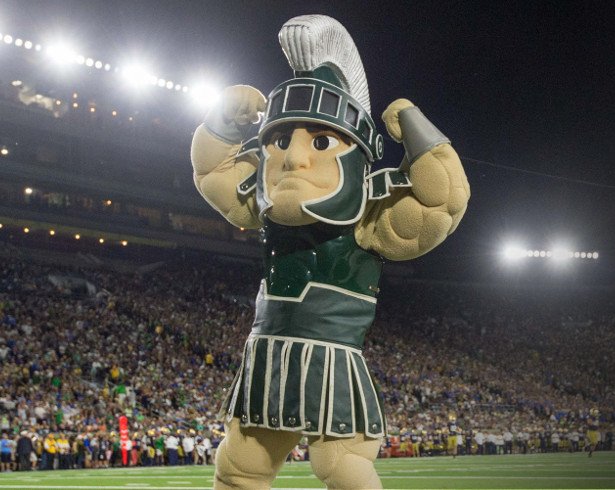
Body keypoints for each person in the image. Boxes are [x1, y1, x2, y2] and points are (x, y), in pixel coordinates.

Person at [189, 14, 468, 490]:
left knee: (342, 467)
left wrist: (419, 133)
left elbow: (441, 202)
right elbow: (214, 173)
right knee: (238, 470)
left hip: (333, 361)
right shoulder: (264, 202)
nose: (294, 157)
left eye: (320, 141)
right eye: (279, 140)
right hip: (267, 359)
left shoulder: (369, 210)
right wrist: (220, 120)